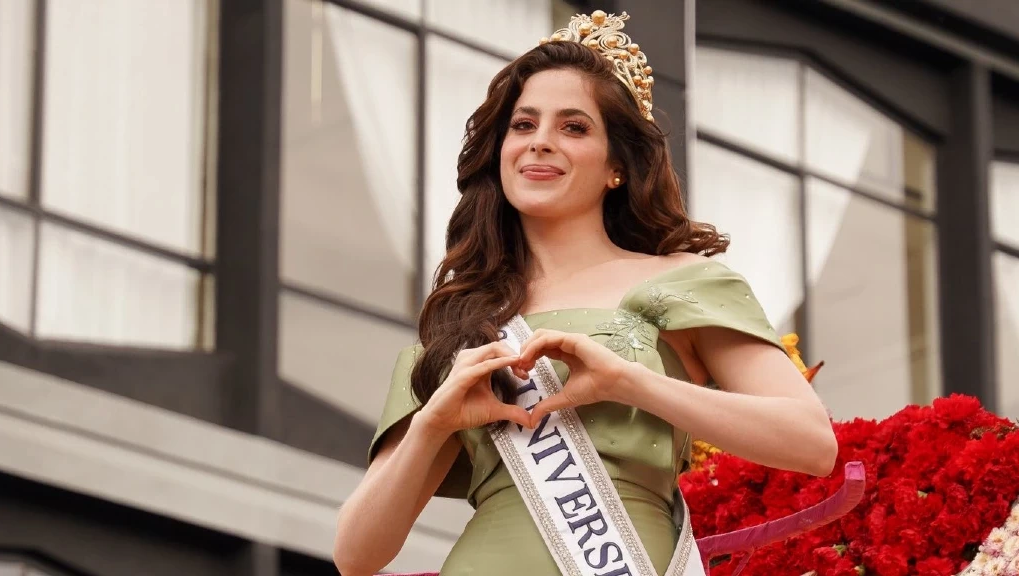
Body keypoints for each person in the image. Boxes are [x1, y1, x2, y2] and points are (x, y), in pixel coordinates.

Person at [332, 10, 837, 576]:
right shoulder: (461, 325)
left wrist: (627, 381)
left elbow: (812, 443)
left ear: (617, 166)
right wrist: (433, 424)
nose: (541, 142)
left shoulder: (680, 281)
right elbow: (355, 556)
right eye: (523, 126)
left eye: (573, 127)